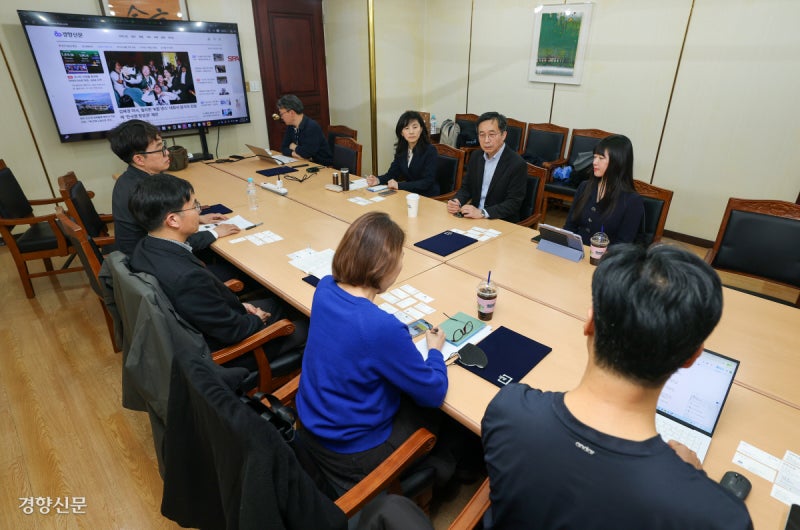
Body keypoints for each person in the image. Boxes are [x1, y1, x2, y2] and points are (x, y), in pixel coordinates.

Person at [481, 244, 753, 529]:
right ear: (692, 358)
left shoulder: (507, 409)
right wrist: (694, 482)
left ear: (589, 323)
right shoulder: (719, 516)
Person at [295, 211, 449, 492]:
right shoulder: (380, 327)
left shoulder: (325, 287)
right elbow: (434, 392)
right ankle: (446, 479)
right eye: (400, 256)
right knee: (447, 419)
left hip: (313, 426)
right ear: (383, 265)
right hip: (352, 453)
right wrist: (435, 352)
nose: (402, 263)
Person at [127, 173, 307, 367]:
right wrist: (256, 320)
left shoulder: (145, 246)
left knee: (280, 303)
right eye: (195, 206)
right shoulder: (187, 278)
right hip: (227, 351)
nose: (198, 211)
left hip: (207, 324)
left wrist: (237, 306)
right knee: (311, 323)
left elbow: (205, 307)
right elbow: (232, 332)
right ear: (172, 220)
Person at [109, 119, 239, 256]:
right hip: (151, 262)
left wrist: (196, 218)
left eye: (164, 146)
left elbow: (160, 223)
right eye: (160, 149)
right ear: (139, 159)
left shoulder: (127, 179)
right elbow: (173, 242)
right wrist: (214, 232)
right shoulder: (149, 192)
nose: (167, 153)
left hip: (140, 254)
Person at [563, 134, 645, 245]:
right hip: (575, 253)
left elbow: (623, 247)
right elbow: (569, 227)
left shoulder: (632, 201)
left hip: (605, 260)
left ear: (618, 162)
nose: (594, 162)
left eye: (601, 158)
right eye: (595, 157)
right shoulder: (584, 186)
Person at [446, 112, 527, 222]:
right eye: (482, 134)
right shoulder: (476, 156)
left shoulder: (517, 164)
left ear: (504, 135)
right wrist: (457, 201)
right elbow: (467, 188)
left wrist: (483, 213)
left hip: (500, 221)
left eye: (492, 134)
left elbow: (513, 203)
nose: (486, 140)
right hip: (473, 218)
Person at [365, 111, 439, 196]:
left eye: (415, 127)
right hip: (409, 194)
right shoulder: (402, 150)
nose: (411, 132)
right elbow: (392, 174)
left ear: (421, 129)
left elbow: (427, 182)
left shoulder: (430, 150)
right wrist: (377, 180)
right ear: (401, 133)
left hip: (428, 196)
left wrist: (399, 185)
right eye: (406, 128)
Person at [277, 94, 333, 166]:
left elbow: (307, 153)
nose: (281, 117)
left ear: (292, 113)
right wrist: (295, 154)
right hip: (302, 162)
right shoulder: (290, 126)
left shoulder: (312, 127)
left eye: (282, 114)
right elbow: (284, 148)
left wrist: (293, 146)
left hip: (321, 166)